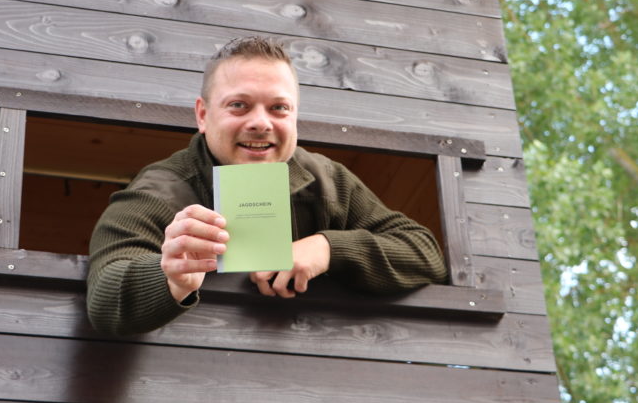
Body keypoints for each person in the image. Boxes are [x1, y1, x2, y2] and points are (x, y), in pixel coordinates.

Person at [86, 37, 448, 335]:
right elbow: (104, 296)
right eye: (239, 105)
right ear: (202, 115)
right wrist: (171, 278)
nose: (261, 123)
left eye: (279, 108)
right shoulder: (160, 188)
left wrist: (327, 249)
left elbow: (425, 253)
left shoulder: (328, 180)